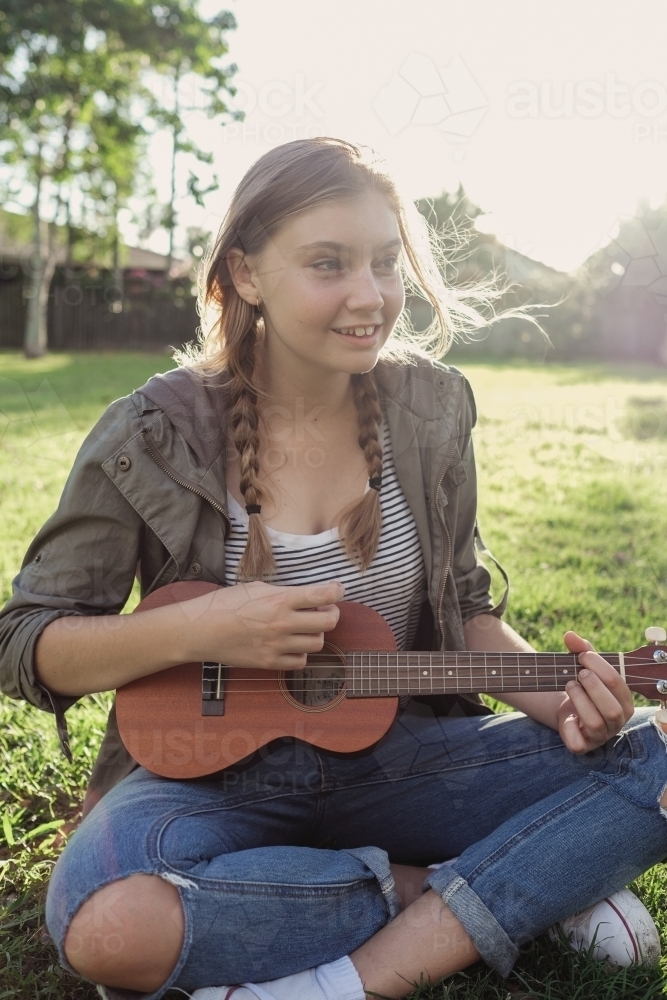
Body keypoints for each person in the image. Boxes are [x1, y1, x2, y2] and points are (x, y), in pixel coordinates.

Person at [1, 137, 666, 1000]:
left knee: (649, 762)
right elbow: (24, 643)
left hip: (404, 763)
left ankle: (347, 977)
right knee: (105, 925)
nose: (370, 296)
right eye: (328, 264)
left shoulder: (430, 410)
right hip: (207, 780)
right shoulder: (150, 434)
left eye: (385, 263)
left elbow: (463, 606)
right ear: (244, 274)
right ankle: (470, 888)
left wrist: (569, 701)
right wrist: (200, 626)